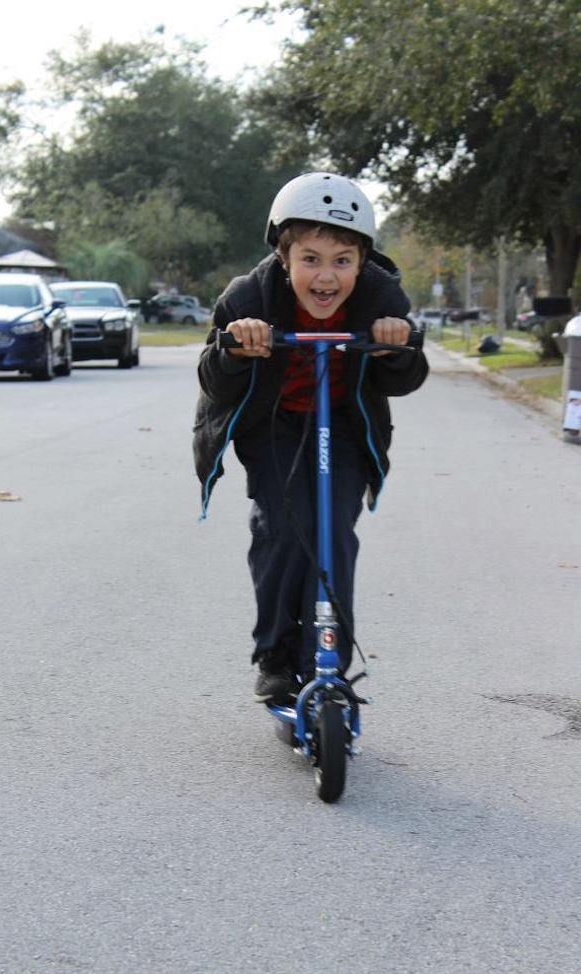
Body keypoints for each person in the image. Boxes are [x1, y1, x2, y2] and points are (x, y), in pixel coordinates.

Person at [193, 172, 428, 704]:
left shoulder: (380, 298)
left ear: (362, 262)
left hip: (341, 423)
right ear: (284, 257)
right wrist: (235, 347)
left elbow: (406, 378)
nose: (326, 276)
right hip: (274, 424)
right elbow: (212, 377)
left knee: (333, 536)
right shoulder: (248, 297)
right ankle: (276, 654)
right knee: (283, 526)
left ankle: (326, 663)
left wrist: (395, 347)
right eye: (311, 259)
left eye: (342, 260)